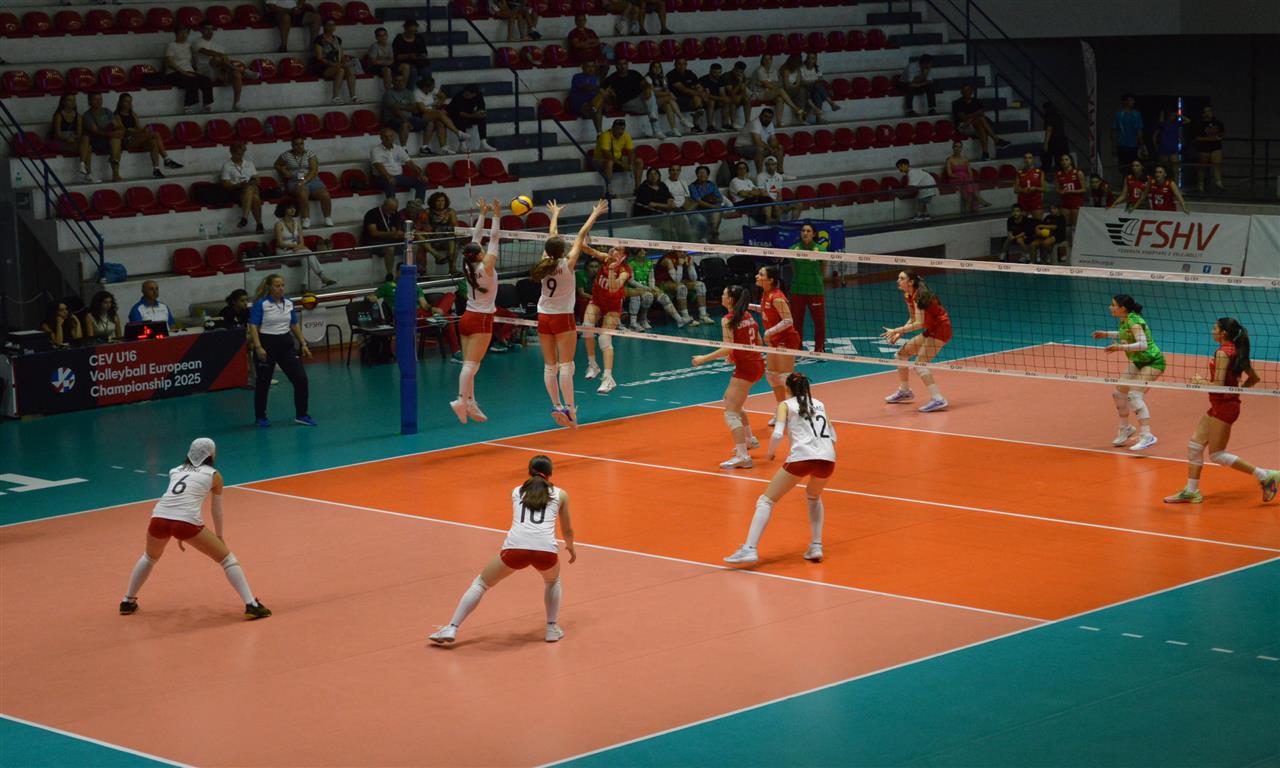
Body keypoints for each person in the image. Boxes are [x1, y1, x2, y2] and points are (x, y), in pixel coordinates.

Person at [428, 455, 575, 645]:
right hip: (545, 551)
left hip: (515, 549)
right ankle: (551, 628)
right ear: (550, 473)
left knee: (481, 583)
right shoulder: (561, 494)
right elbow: (567, 529)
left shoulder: (516, 491)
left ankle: (452, 627)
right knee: (553, 581)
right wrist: (570, 547)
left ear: (529, 471)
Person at [118, 437, 272, 619]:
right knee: (227, 559)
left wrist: (178, 532)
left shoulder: (175, 470)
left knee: (149, 557)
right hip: (186, 522)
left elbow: (177, 501)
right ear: (211, 455)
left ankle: (127, 601)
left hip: (159, 518)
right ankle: (251, 605)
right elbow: (217, 510)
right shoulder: (214, 475)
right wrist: (219, 536)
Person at [724, 371, 834, 564]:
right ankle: (816, 546)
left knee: (766, 500)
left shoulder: (785, 405)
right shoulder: (820, 404)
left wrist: (771, 453)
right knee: (814, 497)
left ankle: (749, 549)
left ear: (788, 389)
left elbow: (776, 434)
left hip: (802, 458)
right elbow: (833, 436)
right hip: (828, 459)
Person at [1164, 318, 1277, 504]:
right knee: (1195, 446)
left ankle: (1265, 475)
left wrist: (1200, 382)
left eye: (1214, 328)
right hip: (1221, 405)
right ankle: (1191, 491)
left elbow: (1218, 385)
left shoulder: (1223, 353)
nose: (1212, 331)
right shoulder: (1236, 350)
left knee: (1217, 454)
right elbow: (1254, 378)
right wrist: (1236, 392)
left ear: (1223, 333)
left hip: (1224, 408)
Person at [531, 200, 608, 427]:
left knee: (550, 366)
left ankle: (556, 406)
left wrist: (554, 214)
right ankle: (571, 410)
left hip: (543, 316)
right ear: (561, 251)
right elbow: (581, 234)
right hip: (563, 317)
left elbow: (552, 235)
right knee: (566, 365)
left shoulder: (544, 262)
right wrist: (595, 214)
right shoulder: (567, 264)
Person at [691, 285, 764, 469]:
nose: (721, 296)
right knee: (732, 402)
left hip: (746, 368)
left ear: (730, 300)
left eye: (724, 294)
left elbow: (727, 347)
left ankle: (743, 456)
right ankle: (749, 439)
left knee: (731, 412)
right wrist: (736, 354)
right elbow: (759, 341)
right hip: (757, 364)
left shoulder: (728, 319)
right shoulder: (748, 315)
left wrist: (702, 359)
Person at [449, 200, 504, 423]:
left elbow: (475, 238)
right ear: (480, 255)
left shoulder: (467, 265)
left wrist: (482, 215)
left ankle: (470, 402)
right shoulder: (486, 266)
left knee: (470, 364)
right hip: (481, 319)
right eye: (481, 250)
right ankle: (461, 400)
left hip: (467, 318)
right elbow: (494, 238)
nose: (483, 249)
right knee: (472, 365)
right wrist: (496, 215)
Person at [1091, 294, 1163, 451]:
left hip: (1153, 361)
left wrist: (1120, 347)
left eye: (1113, 305)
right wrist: (1106, 334)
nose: (1110, 307)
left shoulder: (1134, 321)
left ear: (1122, 308)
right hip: (1139, 361)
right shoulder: (1125, 320)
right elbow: (1124, 334)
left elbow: (1143, 345)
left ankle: (1147, 436)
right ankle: (1126, 429)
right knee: (1118, 393)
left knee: (1135, 395)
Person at [248, 274, 316, 427]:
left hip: (286, 346)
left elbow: (294, 324)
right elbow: (253, 326)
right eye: (277, 286)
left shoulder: (289, 303)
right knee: (263, 383)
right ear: (269, 287)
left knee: (301, 379)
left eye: (282, 285)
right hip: (267, 345)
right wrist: (258, 347)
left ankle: (302, 414)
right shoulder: (261, 304)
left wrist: (303, 343)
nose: (281, 288)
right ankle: (260, 416)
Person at [882, 269, 951, 413]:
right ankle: (905, 391)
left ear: (911, 282)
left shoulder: (919, 296)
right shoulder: (908, 295)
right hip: (931, 329)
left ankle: (938, 399)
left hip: (941, 330)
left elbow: (919, 324)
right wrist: (900, 333)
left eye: (901, 278)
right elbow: (913, 318)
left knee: (920, 364)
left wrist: (895, 330)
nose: (898, 281)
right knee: (900, 355)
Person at [580, 243, 630, 394]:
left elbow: (614, 288)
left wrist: (612, 270)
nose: (613, 250)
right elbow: (588, 250)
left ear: (623, 256)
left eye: (618, 249)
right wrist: (581, 240)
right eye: (613, 248)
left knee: (604, 339)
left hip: (613, 307)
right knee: (586, 328)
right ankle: (593, 365)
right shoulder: (605, 258)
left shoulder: (625, 271)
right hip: (597, 301)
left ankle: (608, 378)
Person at [754, 264, 801, 419]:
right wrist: (746, 306)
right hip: (774, 340)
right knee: (772, 376)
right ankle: (782, 411)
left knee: (785, 378)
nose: (757, 276)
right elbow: (766, 309)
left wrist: (769, 331)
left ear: (771, 280)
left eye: (761, 274)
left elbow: (788, 320)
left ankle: (798, 410)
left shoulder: (777, 297)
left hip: (786, 340)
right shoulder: (766, 294)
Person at [114, 93, 183, 179]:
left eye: (130, 102)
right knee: (155, 134)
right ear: (120, 102)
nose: (129, 104)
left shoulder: (133, 114)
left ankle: (156, 169)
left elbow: (137, 128)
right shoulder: (117, 116)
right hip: (126, 140)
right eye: (126, 101)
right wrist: (137, 131)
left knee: (153, 142)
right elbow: (124, 131)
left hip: (137, 137)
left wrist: (142, 130)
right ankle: (167, 160)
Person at [192, 23, 253, 112]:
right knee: (215, 59)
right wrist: (221, 55)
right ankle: (243, 71)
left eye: (211, 29)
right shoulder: (196, 42)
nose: (210, 32)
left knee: (236, 74)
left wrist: (223, 57)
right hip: (205, 71)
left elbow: (226, 60)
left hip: (221, 72)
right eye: (207, 29)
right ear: (201, 30)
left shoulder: (218, 45)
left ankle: (236, 103)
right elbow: (206, 52)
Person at [274, 136, 333, 227]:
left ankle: (327, 218)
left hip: (311, 179)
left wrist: (304, 181)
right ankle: (306, 219)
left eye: (301, 144)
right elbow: (276, 165)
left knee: (325, 195)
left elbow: (313, 171)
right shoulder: (286, 155)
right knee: (302, 193)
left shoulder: (310, 154)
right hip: (295, 180)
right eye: (296, 144)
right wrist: (283, 170)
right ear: (292, 145)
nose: (299, 146)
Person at [275, 200, 336, 288]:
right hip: (283, 252)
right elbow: (280, 243)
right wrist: (294, 246)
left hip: (297, 251)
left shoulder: (297, 223)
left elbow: (302, 242)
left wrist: (298, 247)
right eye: (290, 208)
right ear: (284, 209)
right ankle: (322, 276)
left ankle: (304, 285)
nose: (293, 210)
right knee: (308, 252)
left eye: (294, 208)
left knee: (305, 258)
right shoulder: (279, 224)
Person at [789, 223, 828, 353]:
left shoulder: (821, 250)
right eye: (803, 231)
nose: (805, 233)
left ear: (814, 234)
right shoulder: (793, 249)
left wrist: (816, 281)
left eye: (808, 231)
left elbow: (823, 269)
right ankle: (797, 347)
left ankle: (819, 348)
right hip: (797, 290)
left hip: (815, 291)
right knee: (796, 322)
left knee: (819, 323)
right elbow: (794, 269)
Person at [602, 58, 664, 139]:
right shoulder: (612, 78)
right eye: (620, 64)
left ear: (627, 65)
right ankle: (657, 130)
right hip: (627, 103)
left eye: (624, 64)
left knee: (650, 92)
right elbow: (601, 90)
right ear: (616, 66)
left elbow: (644, 83)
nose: (622, 66)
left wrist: (647, 86)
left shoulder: (634, 73)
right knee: (660, 103)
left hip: (641, 98)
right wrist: (610, 95)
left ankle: (655, 119)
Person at [412, 76, 469, 155]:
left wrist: (439, 103)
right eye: (432, 87)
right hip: (421, 115)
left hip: (433, 113)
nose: (434, 88)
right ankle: (458, 132)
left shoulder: (431, 90)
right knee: (440, 113)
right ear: (426, 87)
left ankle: (444, 148)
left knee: (441, 123)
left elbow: (443, 95)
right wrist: (436, 111)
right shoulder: (417, 93)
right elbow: (423, 109)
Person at [950, 84, 1009, 160]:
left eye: (968, 90)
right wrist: (974, 115)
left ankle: (985, 153)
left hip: (975, 124)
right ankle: (996, 139)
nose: (967, 92)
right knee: (980, 119)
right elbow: (962, 117)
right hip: (964, 126)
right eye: (965, 90)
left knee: (981, 126)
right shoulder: (958, 103)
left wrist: (971, 118)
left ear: (971, 91)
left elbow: (982, 113)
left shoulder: (976, 101)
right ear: (962, 92)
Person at [164, 26, 214, 114]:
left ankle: (206, 105)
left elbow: (193, 60)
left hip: (189, 71)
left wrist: (196, 70)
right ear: (176, 34)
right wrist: (184, 72)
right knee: (192, 80)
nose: (184, 35)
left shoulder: (188, 45)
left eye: (186, 33)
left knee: (206, 80)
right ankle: (188, 106)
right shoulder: (171, 45)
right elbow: (169, 63)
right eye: (181, 33)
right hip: (174, 72)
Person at [370, 127, 427, 201]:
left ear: (393, 137)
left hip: (399, 177)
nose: (388, 138)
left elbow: (409, 162)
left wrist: (420, 174)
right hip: (382, 178)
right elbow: (378, 165)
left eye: (390, 136)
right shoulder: (375, 150)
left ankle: (418, 205)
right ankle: (392, 206)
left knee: (421, 182)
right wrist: (388, 177)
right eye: (385, 136)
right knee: (390, 184)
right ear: (381, 137)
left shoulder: (399, 148)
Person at [652, 250, 705, 327]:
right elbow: (676, 280)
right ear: (675, 251)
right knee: (681, 287)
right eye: (680, 252)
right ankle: (686, 317)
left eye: (685, 252)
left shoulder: (688, 258)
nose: (683, 254)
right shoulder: (668, 260)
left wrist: (690, 265)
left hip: (677, 281)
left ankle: (703, 316)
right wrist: (680, 265)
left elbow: (694, 278)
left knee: (701, 285)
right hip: (662, 283)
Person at [220, 141, 264, 232]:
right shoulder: (227, 166)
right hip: (237, 190)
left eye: (242, 154)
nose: (240, 156)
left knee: (250, 187)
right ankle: (259, 224)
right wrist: (239, 184)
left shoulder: (249, 164)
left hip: (251, 187)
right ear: (232, 152)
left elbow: (258, 181)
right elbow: (225, 185)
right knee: (255, 197)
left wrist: (253, 180)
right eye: (238, 154)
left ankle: (244, 218)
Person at [312, 19, 358, 104]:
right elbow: (319, 58)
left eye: (333, 25)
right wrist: (334, 64)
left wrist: (345, 61)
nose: (331, 27)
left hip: (337, 64)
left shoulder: (338, 39)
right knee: (340, 70)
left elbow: (341, 55)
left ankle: (353, 97)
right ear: (324, 26)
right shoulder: (319, 40)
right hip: (323, 67)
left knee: (350, 69)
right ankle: (335, 97)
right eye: (329, 25)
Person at [51, 94, 95, 183]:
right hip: (61, 141)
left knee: (86, 140)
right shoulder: (59, 115)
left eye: (73, 100)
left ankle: (82, 164)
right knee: (88, 148)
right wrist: (66, 138)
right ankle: (88, 173)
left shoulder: (78, 116)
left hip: (73, 140)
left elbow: (79, 134)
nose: (72, 102)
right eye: (69, 100)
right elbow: (57, 134)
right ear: (63, 102)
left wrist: (73, 138)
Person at [81, 92, 123, 182]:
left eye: (100, 99)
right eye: (95, 99)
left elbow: (116, 125)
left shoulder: (107, 111)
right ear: (89, 101)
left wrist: (117, 131)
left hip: (109, 139)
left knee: (116, 140)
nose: (98, 101)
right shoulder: (87, 115)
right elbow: (96, 131)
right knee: (115, 141)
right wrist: (111, 133)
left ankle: (115, 171)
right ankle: (114, 161)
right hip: (96, 141)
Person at [750, 54, 801, 127]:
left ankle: (779, 122)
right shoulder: (759, 70)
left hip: (769, 92)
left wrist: (772, 84)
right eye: (765, 59)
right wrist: (772, 84)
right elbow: (767, 85)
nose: (767, 61)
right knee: (779, 90)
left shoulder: (773, 70)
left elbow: (777, 83)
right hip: (759, 93)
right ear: (762, 61)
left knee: (780, 99)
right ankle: (795, 108)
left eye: (769, 59)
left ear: (771, 60)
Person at [419, 192, 461, 276]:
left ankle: (452, 267)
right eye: (438, 201)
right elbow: (425, 227)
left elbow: (455, 227)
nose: (441, 203)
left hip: (447, 237)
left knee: (454, 238)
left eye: (443, 201)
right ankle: (436, 255)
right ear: (433, 202)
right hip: (432, 237)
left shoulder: (450, 212)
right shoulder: (427, 212)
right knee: (417, 234)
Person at [447, 83, 497, 152]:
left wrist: (481, 113)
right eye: (464, 93)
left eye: (467, 94)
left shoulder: (478, 95)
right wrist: (474, 115)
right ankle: (462, 144)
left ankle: (483, 143)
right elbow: (460, 113)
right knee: (461, 119)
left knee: (482, 119)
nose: (465, 95)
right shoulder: (459, 96)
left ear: (474, 95)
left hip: (470, 115)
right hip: (455, 117)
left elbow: (482, 108)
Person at [594, 118, 642, 186]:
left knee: (639, 161)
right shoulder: (605, 135)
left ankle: (638, 188)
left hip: (617, 160)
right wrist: (622, 164)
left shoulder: (625, 135)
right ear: (612, 128)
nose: (620, 131)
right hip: (600, 160)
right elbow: (606, 154)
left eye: (622, 129)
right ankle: (609, 189)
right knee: (609, 162)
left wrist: (631, 163)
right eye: (617, 129)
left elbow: (631, 151)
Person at [363, 197, 404, 276]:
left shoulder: (394, 214)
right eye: (391, 210)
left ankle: (409, 272)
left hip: (389, 240)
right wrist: (392, 233)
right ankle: (389, 274)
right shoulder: (372, 214)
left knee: (412, 245)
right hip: (374, 242)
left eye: (395, 210)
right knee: (390, 249)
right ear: (384, 206)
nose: (393, 212)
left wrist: (398, 235)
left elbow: (394, 229)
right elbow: (374, 233)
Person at [645, 61, 687, 137]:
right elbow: (653, 94)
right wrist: (668, 94)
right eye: (655, 67)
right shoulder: (648, 78)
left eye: (659, 67)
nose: (657, 69)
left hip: (662, 101)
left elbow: (667, 91)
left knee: (668, 105)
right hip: (652, 102)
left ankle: (674, 129)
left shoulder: (663, 78)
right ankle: (682, 119)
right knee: (670, 97)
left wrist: (665, 87)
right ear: (651, 69)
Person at [382, 72, 426, 147]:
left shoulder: (408, 92)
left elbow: (414, 109)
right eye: (397, 81)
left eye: (401, 81)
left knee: (430, 123)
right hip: (393, 119)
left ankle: (425, 146)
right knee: (405, 125)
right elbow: (395, 110)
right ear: (393, 82)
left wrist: (400, 106)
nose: (400, 83)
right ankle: (403, 148)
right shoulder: (388, 94)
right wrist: (406, 119)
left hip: (409, 118)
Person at [945, 139, 986, 213]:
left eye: (959, 147)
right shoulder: (949, 160)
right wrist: (959, 177)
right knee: (969, 187)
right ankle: (982, 202)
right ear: (953, 148)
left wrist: (968, 178)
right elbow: (949, 174)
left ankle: (968, 210)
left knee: (971, 187)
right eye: (956, 146)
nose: (957, 148)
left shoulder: (965, 159)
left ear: (961, 148)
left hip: (966, 179)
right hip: (955, 180)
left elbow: (970, 172)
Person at [667, 58, 708, 133]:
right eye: (679, 64)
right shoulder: (671, 75)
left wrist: (703, 93)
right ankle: (695, 117)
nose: (681, 66)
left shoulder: (690, 73)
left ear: (686, 65)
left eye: (684, 64)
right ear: (675, 65)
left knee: (699, 99)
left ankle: (696, 125)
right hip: (677, 99)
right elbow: (683, 89)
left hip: (690, 98)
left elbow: (698, 85)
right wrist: (700, 94)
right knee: (697, 98)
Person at [699, 62, 742, 132]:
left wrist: (724, 99)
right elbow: (708, 95)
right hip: (705, 99)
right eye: (715, 73)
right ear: (710, 71)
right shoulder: (704, 79)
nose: (717, 74)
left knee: (727, 101)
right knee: (712, 102)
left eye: (719, 72)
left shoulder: (721, 79)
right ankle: (710, 126)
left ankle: (725, 124)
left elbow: (722, 92)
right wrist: (721, 99)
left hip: (717, 98)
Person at [1055, 153, 1086, 245]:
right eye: (1062, 160)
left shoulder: (1078, 173)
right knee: (1066, 225)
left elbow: (1084, 189)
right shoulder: (1059, 174)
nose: (1064, 162)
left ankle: (1078, 244)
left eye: (1066, 159)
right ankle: (1069, 244)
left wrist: (1071, 191)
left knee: (1076, 225)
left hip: (1076, 201)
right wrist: (1060, 192)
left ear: (1071, 161)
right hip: (1065, 202)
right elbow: (1057, 189)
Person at [687, 164, 724, 242]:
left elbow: (719, 198)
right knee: (714, 213)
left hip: (712, 208)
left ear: (707, 175)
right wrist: (712, 205)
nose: (702, 175)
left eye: (704, 173)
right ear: (697, 175)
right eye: (700, 173)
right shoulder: (692, 186)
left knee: (717, 212)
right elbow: (698, 201)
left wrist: (713, 203)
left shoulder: (712, 184)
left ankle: (713, 234)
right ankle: (714, 236)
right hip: (700, 210)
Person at [757, 155, 799, 221]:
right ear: (766, 166)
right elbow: (764, 194)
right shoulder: (760, 176)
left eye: (772, 164)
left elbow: (779, 192)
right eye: (768, 165)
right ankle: (778, 225)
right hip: (767, 202)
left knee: (798, 204)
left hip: (777, 201)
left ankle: (793, 223)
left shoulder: (779, 176)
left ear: (776, 165)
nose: (770, 167)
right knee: (777, 208)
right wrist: (776, 203)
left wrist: (780, 202)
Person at [568, 61, 605, 136]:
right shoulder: (577, 77)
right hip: (579, 106)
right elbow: (585, 87)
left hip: (592, 104)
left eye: (593, 66)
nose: (591, 69)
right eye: (588, 66)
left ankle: (599, 133)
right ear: (583, 68)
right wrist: (598, 89)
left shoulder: (596, 78)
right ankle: (600, 133)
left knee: (599, 101)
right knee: (597, 106)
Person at [1112, 93, 1144, 178]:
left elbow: (1139, 131)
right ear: (1125, 102)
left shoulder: (1136, 114)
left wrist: (1141, 146)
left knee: (1134, 167)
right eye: (1131, 100)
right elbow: (1114, 131)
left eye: (1133, 100)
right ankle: (1125, 183)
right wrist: (1114, 146)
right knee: (1123, 168)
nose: (1133, 102)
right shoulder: (1119, 115)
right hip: (1122, 145)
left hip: (1133, 145)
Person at [799, 52, 838, 121]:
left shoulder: (817, 68)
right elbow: (801, 82)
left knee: (817, 93)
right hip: (806, 90)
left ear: (815, 60)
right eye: (809, 58)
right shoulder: (802, 68)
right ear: (806, 59)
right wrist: (813, 81)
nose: (810, 60)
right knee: (817, 87)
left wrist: (813, 82)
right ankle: (831, 103)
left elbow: (821, 80)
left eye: (812, 58)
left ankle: (819, 117)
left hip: (815, 89)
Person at [1195, 105, 1225, 193]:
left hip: (1215, 147)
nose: (1208, 113)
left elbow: (1221, 135)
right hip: (1203, 148)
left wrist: (1215, 138)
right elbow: (1198, 138)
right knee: (1202, 167)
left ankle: (1218, 184)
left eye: (1209, 111)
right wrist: (1209, 139)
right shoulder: (1200, 123)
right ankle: (1200, 184)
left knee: (1217, 165)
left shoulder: (1217, 122)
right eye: (1206, 111)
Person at [392, 20, 431, 85]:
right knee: (413, 71)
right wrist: (409, 55)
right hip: (404, 62)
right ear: (405, 29)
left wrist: (420, 56)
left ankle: (427, 87)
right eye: (410, 31)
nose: (413, 33)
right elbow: (395, 56)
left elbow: (424, 53)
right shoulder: (398, 39)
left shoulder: (419, 38)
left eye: (415, 31)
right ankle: (410, 89)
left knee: (426, 70)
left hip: (417, 61)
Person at [1152, 109, 1184, 183]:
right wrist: (1156, 146)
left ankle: (1175, 184)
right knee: (1163, 168)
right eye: (1171, 115)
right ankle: (1162, 184)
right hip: (1163, 149)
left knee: (1176, 169)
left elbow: (1188, 120)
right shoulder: (1163, 124)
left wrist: (1178, 115)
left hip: (1173, 149)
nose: (1172, 117)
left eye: (1174, 116)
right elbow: (1154, 136)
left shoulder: (1176, 124)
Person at [1040, 101, 1069, 173]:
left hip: (1054, 140)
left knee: (1047, 155)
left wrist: (1046, 143)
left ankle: (1047, 171)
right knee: (1061, 158)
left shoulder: (1049, 116)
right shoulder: (1058, 115)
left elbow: (1049, 129)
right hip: (1062, 139)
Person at [1015, 152, 1046, 218]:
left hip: (1036, 201)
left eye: (1030, 158)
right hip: (1023, 202)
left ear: (1033, 160)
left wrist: (1035, 188)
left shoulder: (1039, 172)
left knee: (1038, 222)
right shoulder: (1019, 173)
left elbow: (1044, 189)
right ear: (1024, 160)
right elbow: (1015, 190)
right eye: (1025, 158)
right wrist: (1023, 190)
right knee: (1022, 223)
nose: (1027, 160)